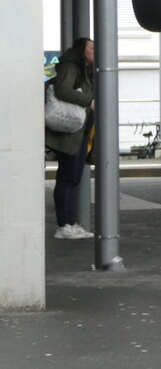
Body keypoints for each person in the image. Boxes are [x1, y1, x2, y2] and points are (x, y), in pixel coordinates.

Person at [45, 37, 95, 239]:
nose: (95, 50)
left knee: (73, 178)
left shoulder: (81, 67)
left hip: (77, 132)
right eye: (92, 47)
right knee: (67, 178)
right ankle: (64, 225)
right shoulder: (71, 66)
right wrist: (88, 100)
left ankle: (70, 223)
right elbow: (62, 89)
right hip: (69, 132)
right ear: (83, 49)